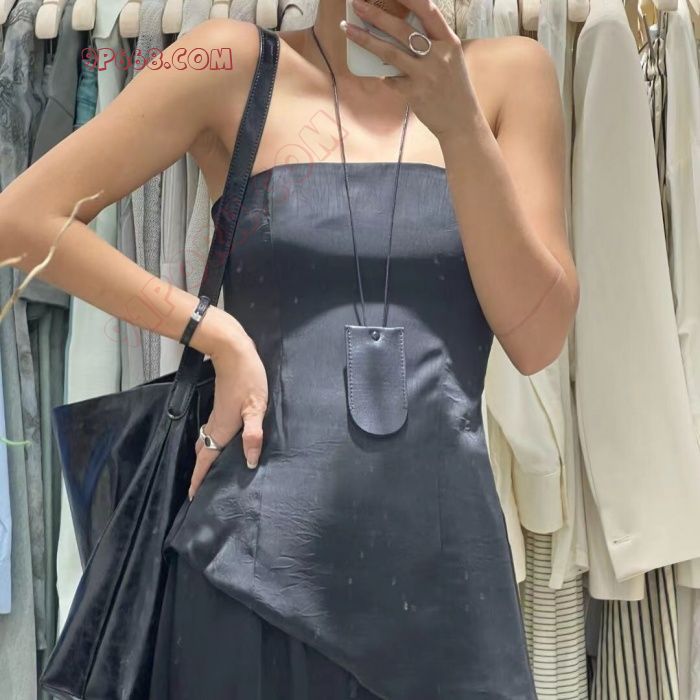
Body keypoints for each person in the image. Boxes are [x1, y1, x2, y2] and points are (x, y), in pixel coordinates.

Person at [0, 0, 579, 697]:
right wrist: (212, 330)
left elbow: (538, 339)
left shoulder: (512, 77)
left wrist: (459, 124)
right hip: (252, 579)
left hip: (448, 584)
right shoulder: (227, 60)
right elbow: (21, 219)